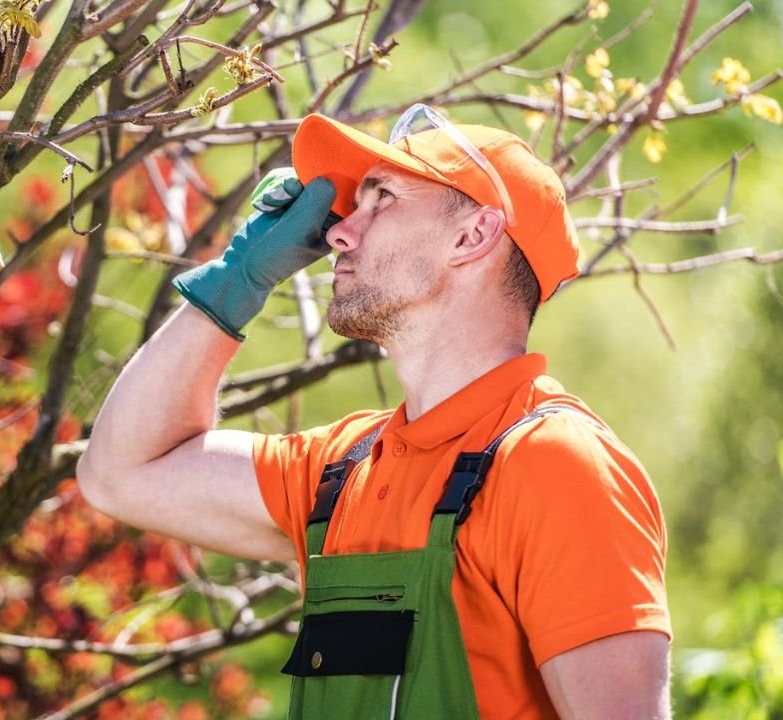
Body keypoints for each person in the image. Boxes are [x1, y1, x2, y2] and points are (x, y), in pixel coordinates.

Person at [77, 105, 671, 719]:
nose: (337, 232)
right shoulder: (343, 471)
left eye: (381, 198)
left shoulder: (555, 464)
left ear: (473, 236)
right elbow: (121, 472)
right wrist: (234, 284)